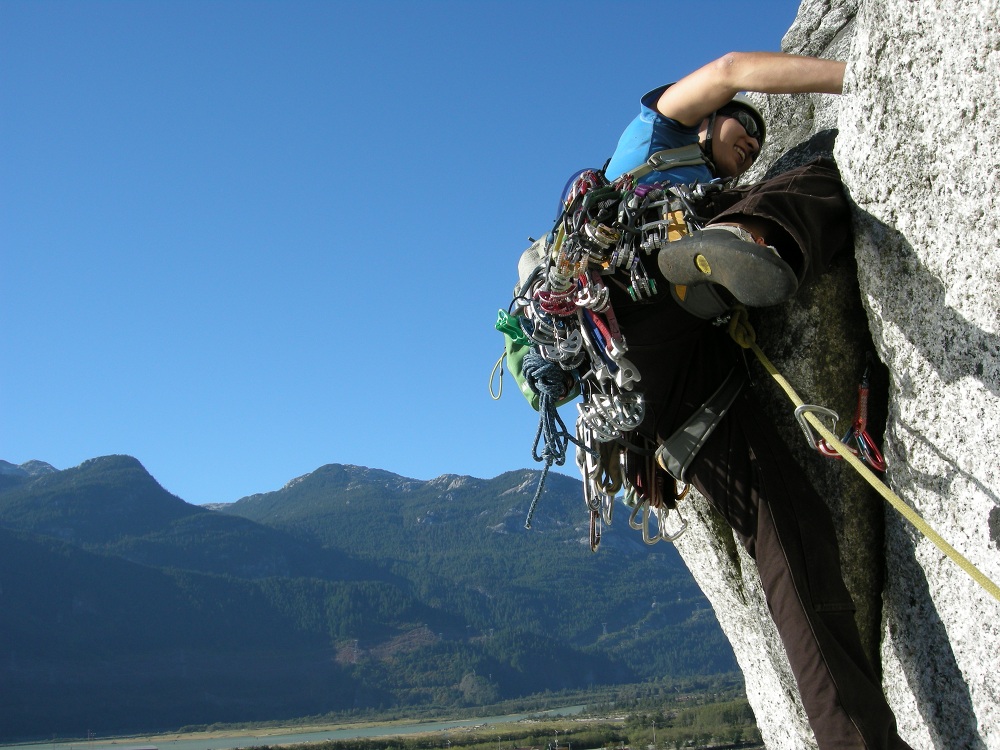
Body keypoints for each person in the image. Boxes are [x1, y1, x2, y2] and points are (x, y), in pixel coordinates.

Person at [596, 52, 914, 750]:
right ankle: (744, 238)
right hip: (636, 286)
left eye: (754, 143)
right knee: (814, 181)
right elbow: (733, 66)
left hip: (662, 383)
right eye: (740, 129)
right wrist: (862, 71)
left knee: (790, 536)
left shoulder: (706, 178)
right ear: (703, 122)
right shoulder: (653, 138)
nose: (749, 144)